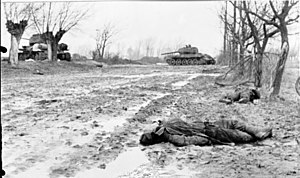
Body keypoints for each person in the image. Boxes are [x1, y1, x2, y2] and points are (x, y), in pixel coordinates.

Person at [140, 119, 272, 146]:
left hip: (209, 125)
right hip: (212, 132)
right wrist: (208, 141)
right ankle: (258, 133)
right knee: (245, 137)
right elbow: (192, 140)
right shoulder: (170, 136)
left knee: (234, 122)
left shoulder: (165, 125)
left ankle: (258, 131)